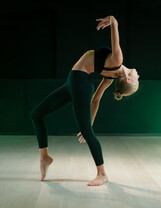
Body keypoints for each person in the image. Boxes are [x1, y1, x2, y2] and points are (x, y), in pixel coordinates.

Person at [30, 15, 140, 186]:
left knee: (87, 133)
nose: (138, 75)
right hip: (73, 81)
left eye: (137, 79)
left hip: (80, 82)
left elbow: (115, 27)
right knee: (36, 114)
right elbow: (95, 100)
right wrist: (90, 123)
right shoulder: (111, 76)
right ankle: (44, 157)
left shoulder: (118, 61)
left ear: (128, 80)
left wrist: (111, 20)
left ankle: (102, 174)